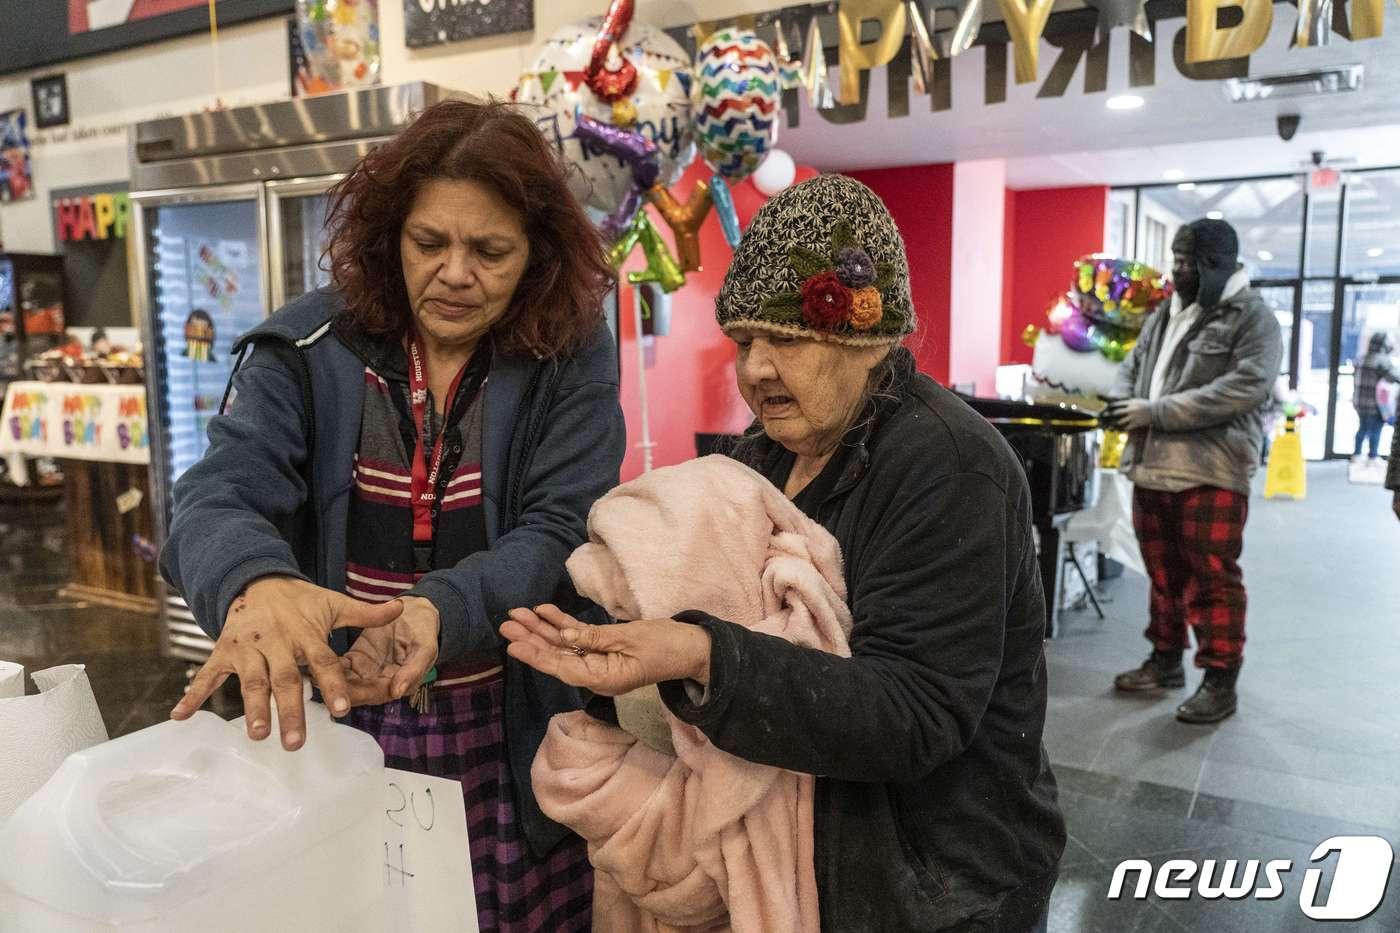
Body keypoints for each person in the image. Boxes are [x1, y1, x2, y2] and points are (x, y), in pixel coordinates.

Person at [503, 174, 1065, 932]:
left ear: (868, 339)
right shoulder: (760, 459)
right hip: (809, 869)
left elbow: (915, 713)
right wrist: (618, 641)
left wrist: (703, 655)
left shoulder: (951, 468)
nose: (756, 369)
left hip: (936, 882)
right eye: (744, 341)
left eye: (786, 340)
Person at [158, 100, 625, 931]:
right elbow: (213, 494)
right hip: (334, 721)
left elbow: (560, 529)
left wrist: (440, 612)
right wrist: (256, 582)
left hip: (509, 737)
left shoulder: (568, 357)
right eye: (429, 243)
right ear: (390, 235)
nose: (454, 273)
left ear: (538, 257)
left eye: (490, 251)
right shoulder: (307, 348)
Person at [1102, 218, 1282, 724]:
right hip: (1152, 467)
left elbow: (1243, 388)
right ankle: (1165, 662)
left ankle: (1220, 680)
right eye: (1175, 261)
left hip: (1211, 471)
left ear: (1215, 265)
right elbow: (1133, 366)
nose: (1176, 272)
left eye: (1186, 263)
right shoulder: (1167, 313)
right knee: (1163, 576)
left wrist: (1151, 412)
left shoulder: (1254, 319)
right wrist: (1123, 404)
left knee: (1211, 580)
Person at [1352, 331, 1399, 463]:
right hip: (1375, 404)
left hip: (1359, 402)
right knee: (1375, 431)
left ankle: (1357, 455)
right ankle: (1372, 457)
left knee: (1362, 428)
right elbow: (1395, 376)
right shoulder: (1382, 361)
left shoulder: (1361, 359)